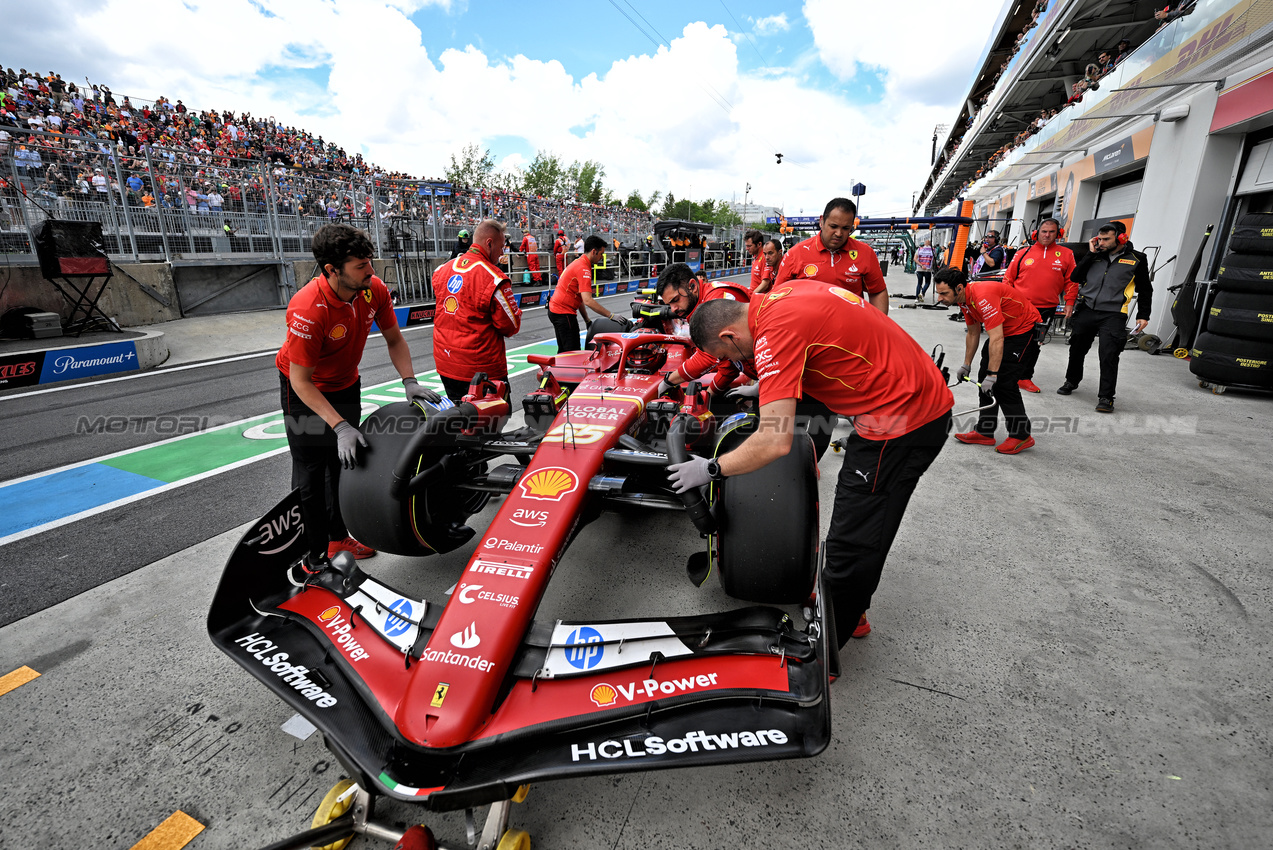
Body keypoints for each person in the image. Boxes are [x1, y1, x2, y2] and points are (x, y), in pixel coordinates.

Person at [669, 286, 953, 648]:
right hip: (909, 394)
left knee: (852, 541)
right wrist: (773, 384)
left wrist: (711, 469)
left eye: (729, 354)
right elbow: (821, 345)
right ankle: (849, 605)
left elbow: (774, 441)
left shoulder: (773, 334)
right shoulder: (779, 298)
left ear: (730, 334)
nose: (738, 363)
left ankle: (827, 647)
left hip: (901, 421)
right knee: (860, 528)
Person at [275, 224, 440, 571]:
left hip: (345, 384)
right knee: (310, 473)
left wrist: (409, 381)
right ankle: (312, 558)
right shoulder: (308, 307)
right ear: (332, 270)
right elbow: (301, 381)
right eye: (361, 266)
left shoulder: (373, 289)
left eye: (370, 262)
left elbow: (395, 339)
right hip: (304, 390)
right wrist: (339, 426)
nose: (371, 271)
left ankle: (337, 537)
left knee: (342, 465)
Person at [934, 267, 1040, 454]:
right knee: (983, 379)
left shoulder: (982, 297)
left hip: (1022, 331)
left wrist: (993, 374)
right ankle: (985, 431)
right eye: (938, 293)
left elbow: (997, 338)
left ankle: (1021, 435)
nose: (939, 298)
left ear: (959, 288)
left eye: (943, 293)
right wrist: (966, 365)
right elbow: (973, 332)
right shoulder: (963, 300)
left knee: (1003, 382)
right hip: (1002, 331)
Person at [1059, 221, 1150, 413]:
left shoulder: (1137, 259)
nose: (1101, 242)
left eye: (1106, 239)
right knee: (1076, 349)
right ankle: (1071, 381)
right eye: (1099, 238)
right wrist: (1091, 254)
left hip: (1114, 313)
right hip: (1087, 309)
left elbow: (1145, 289)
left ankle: (1106, 397)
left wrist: (1143, 315)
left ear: (1121, 238)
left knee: (1109, 354)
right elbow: (1075, 277)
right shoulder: (1093, 255)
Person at [431, 219, 522, 402]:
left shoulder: (442, 270)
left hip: (446, 365)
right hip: (480, 371)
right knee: (494, 421)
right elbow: (511, 326)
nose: (502, 251)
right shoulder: (494, 278)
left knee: (460, 419)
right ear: (489, 243)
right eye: (502, 246)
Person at [774, 198, 889, 313]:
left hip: (850, 328)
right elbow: (777, 296)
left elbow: (878, 292)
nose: (839, 233)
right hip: (808, 328)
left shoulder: (865, 253)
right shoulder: (795, 254)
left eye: (845, 228)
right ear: (821, 222)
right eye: (833, 226)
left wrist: (878, 326)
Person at [1001, 218, 1077, 393]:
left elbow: (1072, 281)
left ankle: (1024, 377)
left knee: (1035, 343)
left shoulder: (1066, 254)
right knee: (1011, 340)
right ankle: (1004, 371)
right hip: (1019, 306)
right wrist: (1005, 302)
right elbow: (1008, 279)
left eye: (1051, 232)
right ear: (1036, 233)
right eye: (1044, 231)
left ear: (1058, 234)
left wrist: (1070, 302)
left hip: (1046, 308)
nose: (1047, 235)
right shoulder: (1022, 253)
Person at [654, 262, 751, 394]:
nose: (673, 309)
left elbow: (707, 357)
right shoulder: (703, 303)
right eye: (669, 304)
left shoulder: (715, 299)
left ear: (692, 286)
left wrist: (669, 381)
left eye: (675, 300)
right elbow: (729, 364)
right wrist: (709, 395)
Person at [548, 235, 627, 352]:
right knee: (573, 353)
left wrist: (587, 320)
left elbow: (579, 297)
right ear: (594, 252)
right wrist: (611, 315)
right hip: (563, 313)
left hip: (556, 310)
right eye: (601, 254)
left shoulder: (579, 262)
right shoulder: (583, 268)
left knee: (564, 351)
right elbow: (588, 300)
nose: (602, 257)